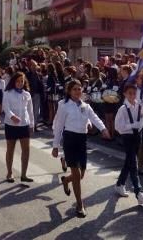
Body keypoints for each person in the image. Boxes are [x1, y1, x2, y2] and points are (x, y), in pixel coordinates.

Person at [52, 80, 110, 218]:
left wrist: (103, 129)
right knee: (77, 175)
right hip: (70, 139)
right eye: (75, 89)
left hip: (82, 140)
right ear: (69, 91)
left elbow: (94, 117)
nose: (78, 91)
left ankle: (66, 180)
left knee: (81, 175)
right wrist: (55, 146)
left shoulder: (85, 106)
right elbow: (59, 126)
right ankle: (80, 205)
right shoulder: (63, 105)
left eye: (79, 89)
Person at [113, 83, 143, 205]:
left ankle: (119, 184)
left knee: (129, 162)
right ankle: (139, 193)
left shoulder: (141, 107)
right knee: (133, 164)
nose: (132, 96)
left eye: (134, 93)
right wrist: (131, 125)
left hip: (138, 137)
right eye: (129, 93)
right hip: (127, 137)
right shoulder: (122, 109)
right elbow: (117, 126)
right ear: (125, 94)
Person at [2, 72, 34, 183]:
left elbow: (30, 110)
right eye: (18, 81)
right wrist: (12, 116)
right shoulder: (8, 93)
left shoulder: (27, 94)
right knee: (10, 150)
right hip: (11, 125)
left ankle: (24, 174)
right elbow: (5, 107)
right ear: (14, 81)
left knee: (26, 150)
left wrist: (32, 124)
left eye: (22, 81)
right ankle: (9, 173)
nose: (20, 83)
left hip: (24, 124)